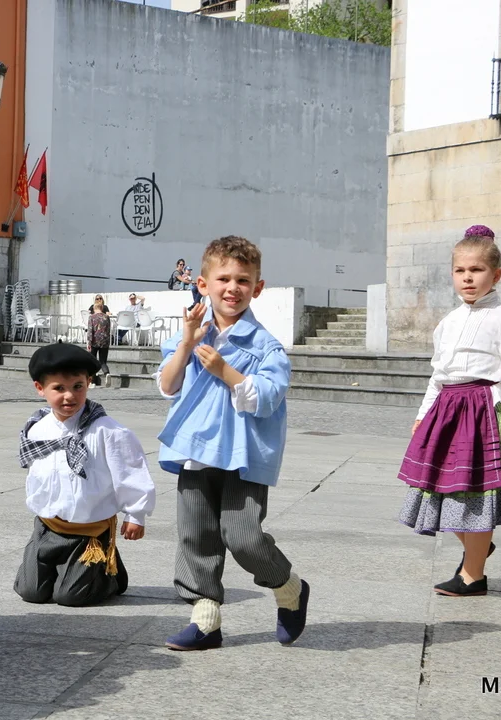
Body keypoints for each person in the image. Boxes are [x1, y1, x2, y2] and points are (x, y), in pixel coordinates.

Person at [156, 236, 308, 651]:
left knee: (243, 535)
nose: (232, 288)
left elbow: (267, 397)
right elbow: (167, 386)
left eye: (243, 280)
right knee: (196, 533)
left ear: (257, 287)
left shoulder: (265, 346)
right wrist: (187, 343)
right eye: (223, 278)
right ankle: (205, 619)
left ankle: (288, 586)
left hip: (243, 453)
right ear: (203, 284)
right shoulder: (192, 334)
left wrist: (225, 371)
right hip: (194, 449)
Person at [398, 225, 501, 597]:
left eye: (477, 270)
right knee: (440, 489)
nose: (468, 277)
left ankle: (473, 575)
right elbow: (438, 375)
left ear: (496, 274)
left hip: (482, 412)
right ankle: (477, 548)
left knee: (475, 493)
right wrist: (423, 414)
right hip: (447, 411)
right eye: (460, 270)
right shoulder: (448, 322)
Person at [15, 342, 155, 606]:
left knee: (70, 597)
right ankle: (66, 570)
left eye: (77, 386)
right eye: (59, 388)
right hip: (47, 525)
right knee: (30, 592)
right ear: (40, 388)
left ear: (89, 383)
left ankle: (110, 575)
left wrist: (136, 514)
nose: (69, 396)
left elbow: (130, 471)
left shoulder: (107, 431)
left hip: (89, 530)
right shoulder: (37, 429)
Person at [87, 305, 111, 388]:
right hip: (105, 341)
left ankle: (92, 381)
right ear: (102, 308)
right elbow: (108, 330)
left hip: (94, 341)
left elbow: (90, 330)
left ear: (94, 308)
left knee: (92, 361)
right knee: (103, 361)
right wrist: (107, 341)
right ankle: (107, 373)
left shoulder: (92, 317)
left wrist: (89, 342)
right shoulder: (106, 317)